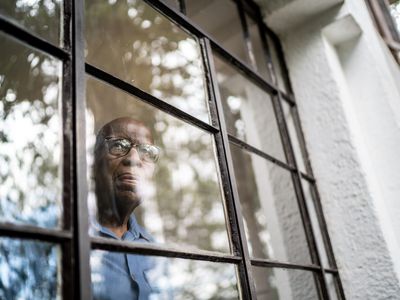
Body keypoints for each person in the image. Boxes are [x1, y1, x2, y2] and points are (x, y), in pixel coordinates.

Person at [91, 117, 161, 300]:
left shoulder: (155, 248)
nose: (133, 159)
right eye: (119, 145)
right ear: (93, 165)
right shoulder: (65, 236)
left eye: (146, 151)